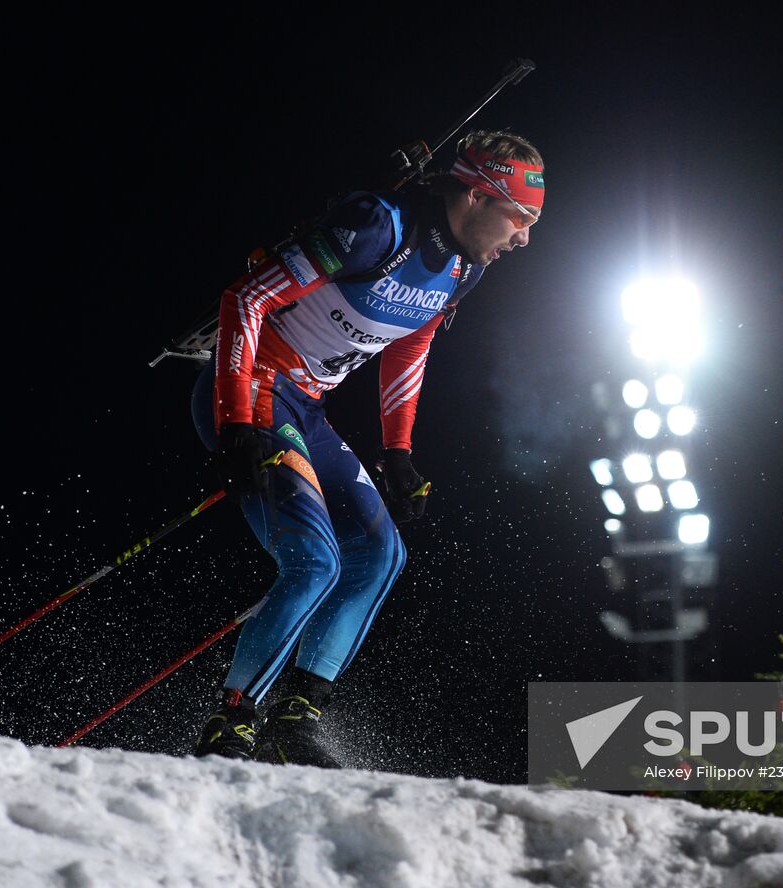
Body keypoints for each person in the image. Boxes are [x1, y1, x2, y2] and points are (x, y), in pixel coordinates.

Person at [189, 130, 545, 767]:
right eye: (520, 217)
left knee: (381, 553)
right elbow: (246, 297)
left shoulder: (467, 268)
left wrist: (397, 451)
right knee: (315, 563)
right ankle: (233, 723)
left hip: (307, 409)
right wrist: (236, 421)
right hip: (257, 392)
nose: (524, 238)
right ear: (474, 195)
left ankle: (295, 720)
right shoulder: (379, 227)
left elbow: (411, 342)